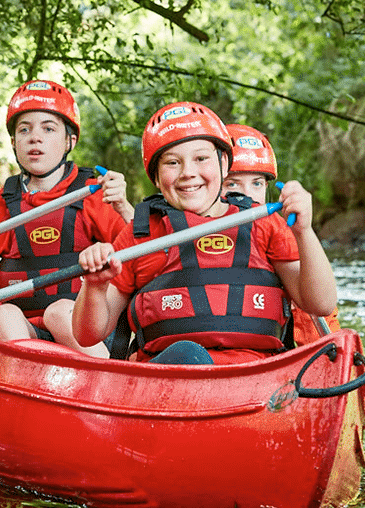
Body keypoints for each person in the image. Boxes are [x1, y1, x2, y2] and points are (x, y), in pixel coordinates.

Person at [72, 102, 337, 365]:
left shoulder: (266, 224)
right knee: (189, 355)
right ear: (155, 176)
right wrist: (95, 285)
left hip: (259, 380)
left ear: (223, 163)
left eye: (201, 159)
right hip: (164, 383)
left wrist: (303, 231)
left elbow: (321, 304)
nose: (188, 173)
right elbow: (87, 336)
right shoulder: (140, 234)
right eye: (172, 162)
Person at [0, 79, 133, 357]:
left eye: (48, 128)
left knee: (59, 312)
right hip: (25, 334)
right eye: (24, 130)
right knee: (2, 315)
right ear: (14, 143)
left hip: (89, 334)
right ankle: (28, 377)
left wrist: (123, 207)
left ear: (69, 140)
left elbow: (140, 261)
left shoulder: (95, 195)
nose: (35, 137)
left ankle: (109, 373)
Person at [223, 123, 341, 344]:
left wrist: (303, 231)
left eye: (257, 183)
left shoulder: (274, 230)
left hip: (267, 362)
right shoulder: (174, 225)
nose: (248, 196)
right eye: (232, 184)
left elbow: (322, 306)